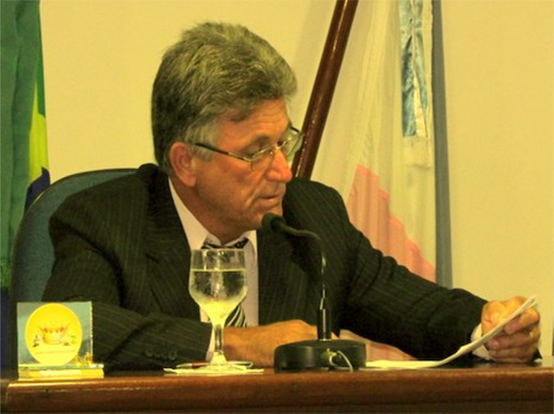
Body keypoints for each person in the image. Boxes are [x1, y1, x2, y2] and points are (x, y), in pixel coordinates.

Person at [43, 22, 540, 369]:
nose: (283, 171)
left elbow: (418, 310)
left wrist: (489, 330)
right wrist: (234, 344)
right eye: (255, 152)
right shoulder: (103, 220)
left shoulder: (311, 218)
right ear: (186, 162)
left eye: (284, 143)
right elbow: (66, 332)